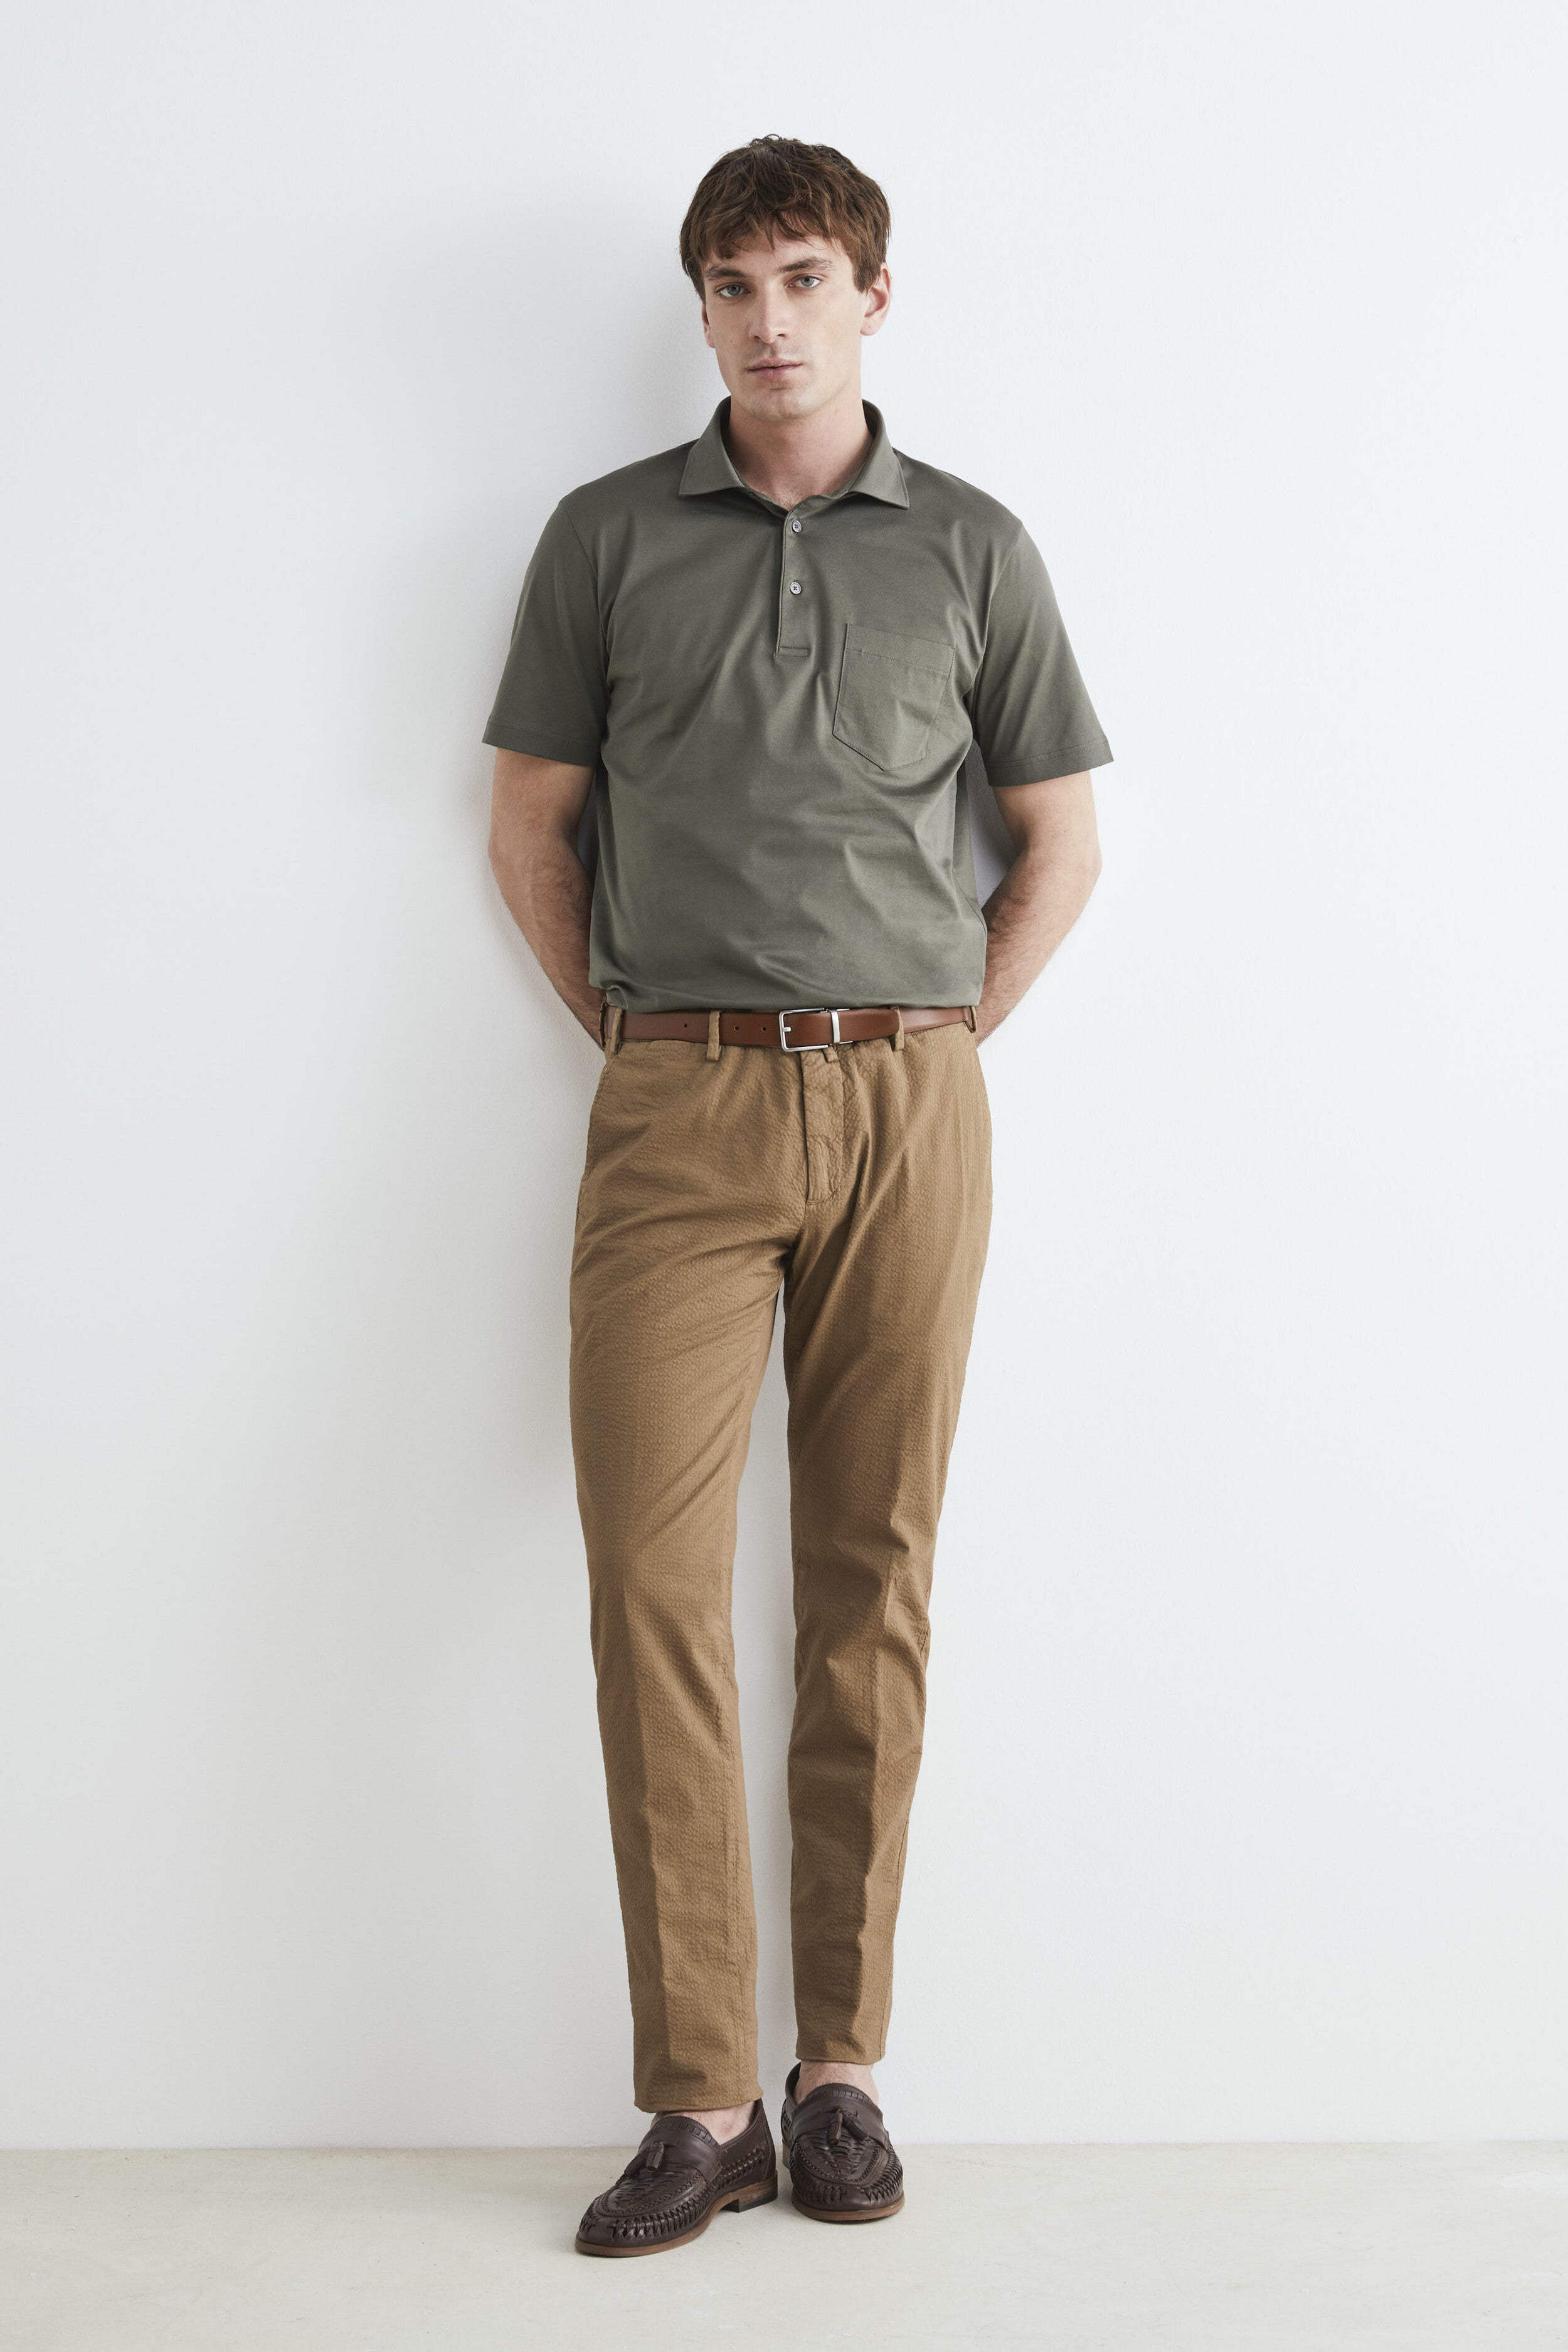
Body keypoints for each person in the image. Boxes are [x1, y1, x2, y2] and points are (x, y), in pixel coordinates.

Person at [484, 135, 1111, 2257]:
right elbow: (531, 830)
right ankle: (700, 2097)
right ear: (700, 310)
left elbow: (1058, 838)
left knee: (870, 1578)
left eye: (807, 277)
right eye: (735, 285)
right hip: (676, 1103)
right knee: (650, 1591)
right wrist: (638, 1039)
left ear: (872, 297)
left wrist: (941, 1036)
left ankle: (837, 2071)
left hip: (910, 1103)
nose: (770, 319)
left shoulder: (972, 546)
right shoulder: (603, 539)